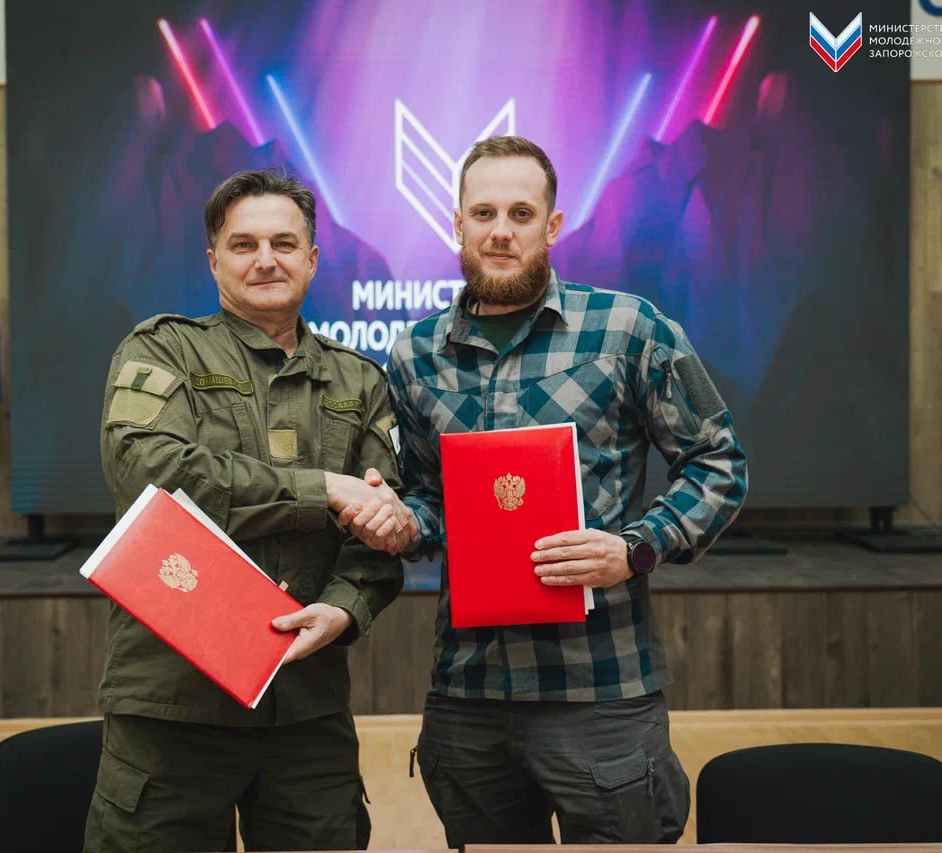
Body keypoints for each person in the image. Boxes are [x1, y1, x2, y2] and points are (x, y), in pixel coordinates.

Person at [345, 135, 748, 845]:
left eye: (521, 213)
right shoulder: (414, 354)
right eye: (484, 213)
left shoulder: (629, 329)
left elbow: (718, 464)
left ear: (553, 225)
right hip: (469, 693)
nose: (500, 230)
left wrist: (635, 548)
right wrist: (400, 521)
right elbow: (430, 503)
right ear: (457, 223)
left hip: (601, 690)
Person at [84, 169, 408, 852]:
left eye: (284, 244)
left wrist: (346, 606)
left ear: (311, 259)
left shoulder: (360, 380)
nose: (266, 259)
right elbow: (150, 474)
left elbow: (378, 529)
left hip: (307, 706)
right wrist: (322, 489)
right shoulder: (162, 349)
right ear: (214, 261)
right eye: (244, 244)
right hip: (173, 704)